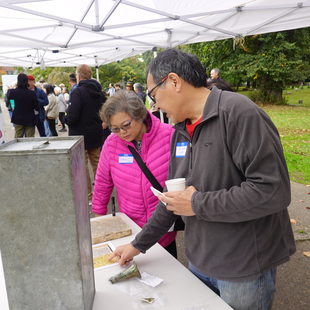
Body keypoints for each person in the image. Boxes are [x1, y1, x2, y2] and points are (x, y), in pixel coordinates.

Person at [110, 49, 296, 310]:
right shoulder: (180, 131)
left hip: (242, 268)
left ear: (174, 82)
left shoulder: (240, 113)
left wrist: (197, 204)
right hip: (199, 260)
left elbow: (272, 190)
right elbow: (172, 198)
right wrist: (137, 245)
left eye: (153, 95)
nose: (154, 105)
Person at [92, 90, 177, 257]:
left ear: (139, 115)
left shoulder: (170, 136)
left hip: (163, 231)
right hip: (130, 230)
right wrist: (99, 217)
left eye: (126, 125)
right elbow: (102, 182)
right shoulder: (111, 143)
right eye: (115, 128)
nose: (122, 132)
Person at [66, 64, 106, 202]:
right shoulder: (98, 91)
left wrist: (66, 119)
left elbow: (73, 116)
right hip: (95, 131)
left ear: (78, 76)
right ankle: (102, 192)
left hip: (80, 134)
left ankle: (89, 195)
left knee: (82, 166)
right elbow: (105, 109)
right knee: (97, 163)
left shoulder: (78, 92)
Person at [8, 73, 39, 138]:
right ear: (27, 81)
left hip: (17, 118)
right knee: (29, 138)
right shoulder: (32, 93)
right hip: (30, 118)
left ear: (18, 81)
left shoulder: (12, 92)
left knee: (18, 138)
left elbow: (9, 103)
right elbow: (36, 107)